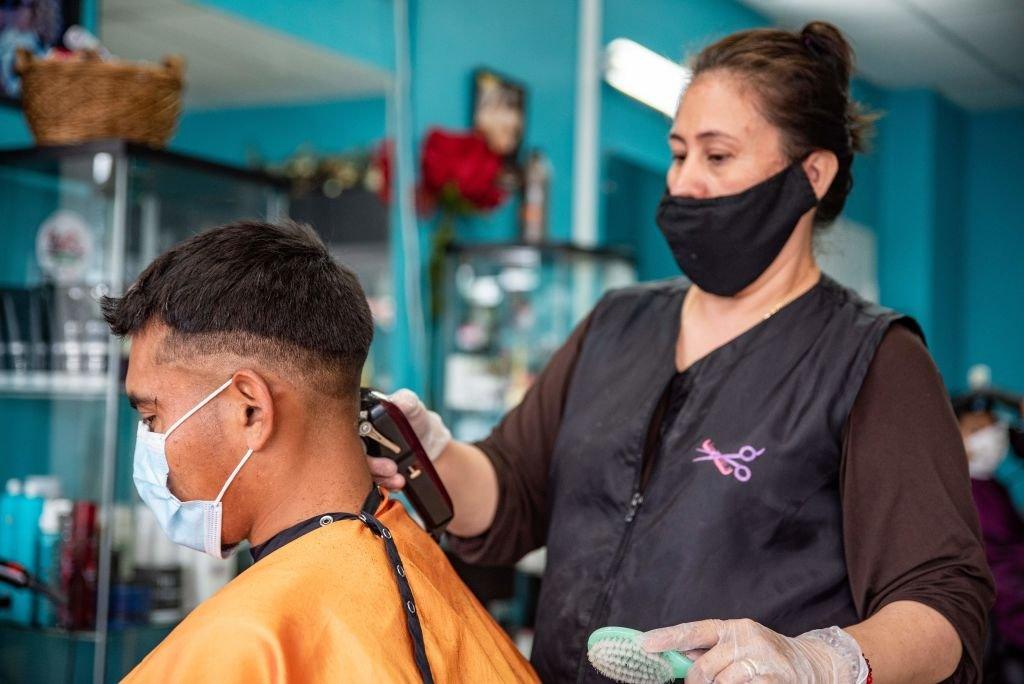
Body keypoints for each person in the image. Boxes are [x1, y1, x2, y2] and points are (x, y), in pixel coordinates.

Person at [372, 22, 993, 683]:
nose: (684, 182)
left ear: (811, 174)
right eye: (677, 154)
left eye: (717, 157)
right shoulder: (617, 323)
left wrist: (821, 662)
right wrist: (432, 456)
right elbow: (510, 492)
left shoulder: (872, 360)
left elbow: (945, 605)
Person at [103, 221, 536, 683]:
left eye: (152, 418)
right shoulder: (455, 611)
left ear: (250, 410)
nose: (150, 447)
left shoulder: (237, 649)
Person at [954, 390, 1024, 683]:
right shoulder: (961, 494)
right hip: (1005, 631)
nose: (989, 436)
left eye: (993, 425)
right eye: (976, 429)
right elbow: (998, 573)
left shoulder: (992, 485)